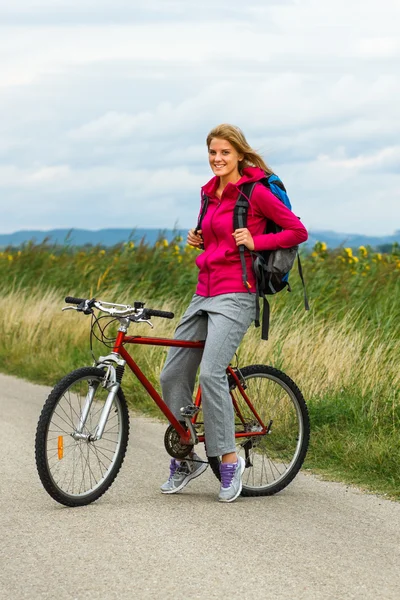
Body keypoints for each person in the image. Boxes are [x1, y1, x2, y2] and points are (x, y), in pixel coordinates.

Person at [159, 123, 308, 502]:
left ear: (239, 154)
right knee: (172, 372)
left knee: (210, 373)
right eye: (212, 153)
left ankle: (228, 461)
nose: (217, 159)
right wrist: (198, 238)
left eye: (224, 152)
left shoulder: (255, 192)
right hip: (203, 291)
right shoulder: (208, 193)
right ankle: (187, 455)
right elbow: (216, 235)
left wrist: (259, 240)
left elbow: (297, 231)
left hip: (237, 293)